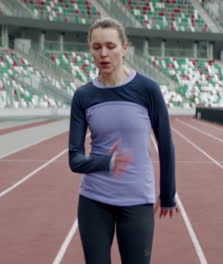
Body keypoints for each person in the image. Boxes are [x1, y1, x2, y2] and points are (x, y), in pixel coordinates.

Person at [68, 17, 177, 264]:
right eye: (97, 48)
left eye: (110, 46)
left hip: (137, 200)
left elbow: (166, 144)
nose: (103, 53)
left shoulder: (147, 89)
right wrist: (107, 163)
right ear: (90, 51)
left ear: (124, 48)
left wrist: (168, 194)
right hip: (94, 200)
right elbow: (74, 159)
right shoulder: (83, 96)